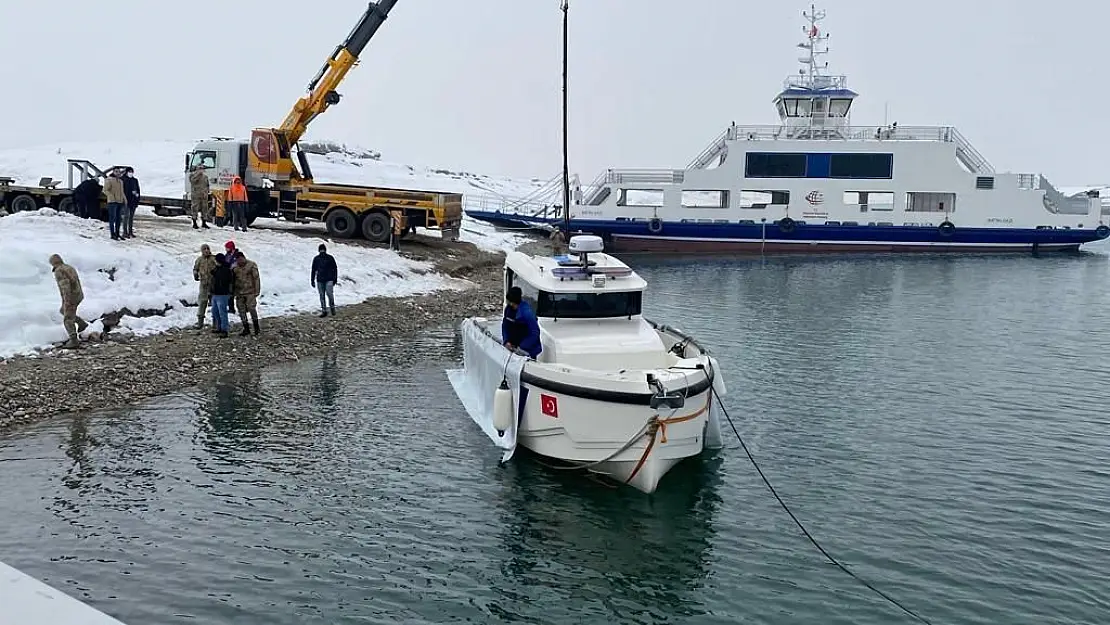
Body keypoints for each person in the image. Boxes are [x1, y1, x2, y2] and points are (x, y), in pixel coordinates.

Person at [50, 254, 88, 349]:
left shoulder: (59, 271)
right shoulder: (69, 267)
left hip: (71, 297)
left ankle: (74, 340)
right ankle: (81, 323)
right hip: (78, 295)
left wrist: (67, 301)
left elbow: (65, 287)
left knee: (67, 319)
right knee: (63, 311)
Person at [501, 286, 541, 359]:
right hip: (512, 347)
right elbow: (505, 325)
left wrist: (522, 347)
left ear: (513, 302)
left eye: (509, 301)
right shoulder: (508, 309)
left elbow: (535, 333)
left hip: (526, 351)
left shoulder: (527, 314)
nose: (508, 303)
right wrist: (506, 341)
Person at [232, 250, 261, 336]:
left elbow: (256, 278)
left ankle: (256, 327)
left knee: (251, 308)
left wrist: (257, 290)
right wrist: (233, 292)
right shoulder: (235, 268)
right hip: (239, 292)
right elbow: (233, 281)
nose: (239, 261)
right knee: (241, 310)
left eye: (241, 259)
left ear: (244, 257)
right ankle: (246, 328)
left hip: (250, 291)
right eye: (237, 259)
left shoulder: (251, 265)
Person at [192, 243, 217, 329]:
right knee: (202, 302)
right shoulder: (199, 260)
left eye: (207, 248)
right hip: (203, 284)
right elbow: (195, 268)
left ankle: (215, 322)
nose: (206, 250)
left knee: (215, 304)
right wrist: (195, 274)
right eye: (204, 249)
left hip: (213, 285)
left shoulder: (214, 259)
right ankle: (200, 322)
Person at [209, 253, 234, 338]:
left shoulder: (226, 270)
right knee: (215, 312)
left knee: (222, 312)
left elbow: (229, 281)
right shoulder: (217, 269)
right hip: (215, 293)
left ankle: (224, 329)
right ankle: (219, 327)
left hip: (223, 294)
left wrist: (229, 292)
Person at [310, 243, 338, 317]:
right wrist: (335, 279)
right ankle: (329, 310)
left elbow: (313, 270)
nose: (322, 251)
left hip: (324, 279)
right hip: (326, 279)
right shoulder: (328, 257)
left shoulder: (318, 258)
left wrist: (312, 280)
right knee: (328, 295)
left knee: (323, 296)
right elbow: (335, 269)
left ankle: (326, 310)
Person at [103, 169, 126, 240]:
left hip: (119, 201)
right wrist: (111, 197)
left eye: (118, 172)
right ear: (113, 172)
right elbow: (105, 190)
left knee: (118, 219)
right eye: (116, 171)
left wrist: (125, 199)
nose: (117, 173)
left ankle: (117, 233)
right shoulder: (109, 180)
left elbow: (122, 191)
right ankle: (112, 234)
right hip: (112, 202)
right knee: (112, 218)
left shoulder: (120, 181)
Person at [187, 164, 211, 230]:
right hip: (196, 195)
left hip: (204, 195)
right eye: (200, 168)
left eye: (202, 168)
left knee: (205, 208)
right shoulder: (192, 175)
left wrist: (207, 192)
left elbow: (207, 185)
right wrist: (198, 175)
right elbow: (193, 181)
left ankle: (204, 222)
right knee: (195, 208)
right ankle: (194, 222)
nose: (201, 170)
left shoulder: (205, 176)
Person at [121, 166, 141, 238]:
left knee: (131, 217)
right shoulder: (122, 180)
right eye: (129, 172)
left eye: (132, 172)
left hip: (133, 201)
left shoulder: (135, 180)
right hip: (126, 201)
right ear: (126, 172)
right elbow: (121, 190)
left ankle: (130, 232)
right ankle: (125, 232)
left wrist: (137, 196)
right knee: (126, 217)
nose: (131, 173)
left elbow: (138, 189)